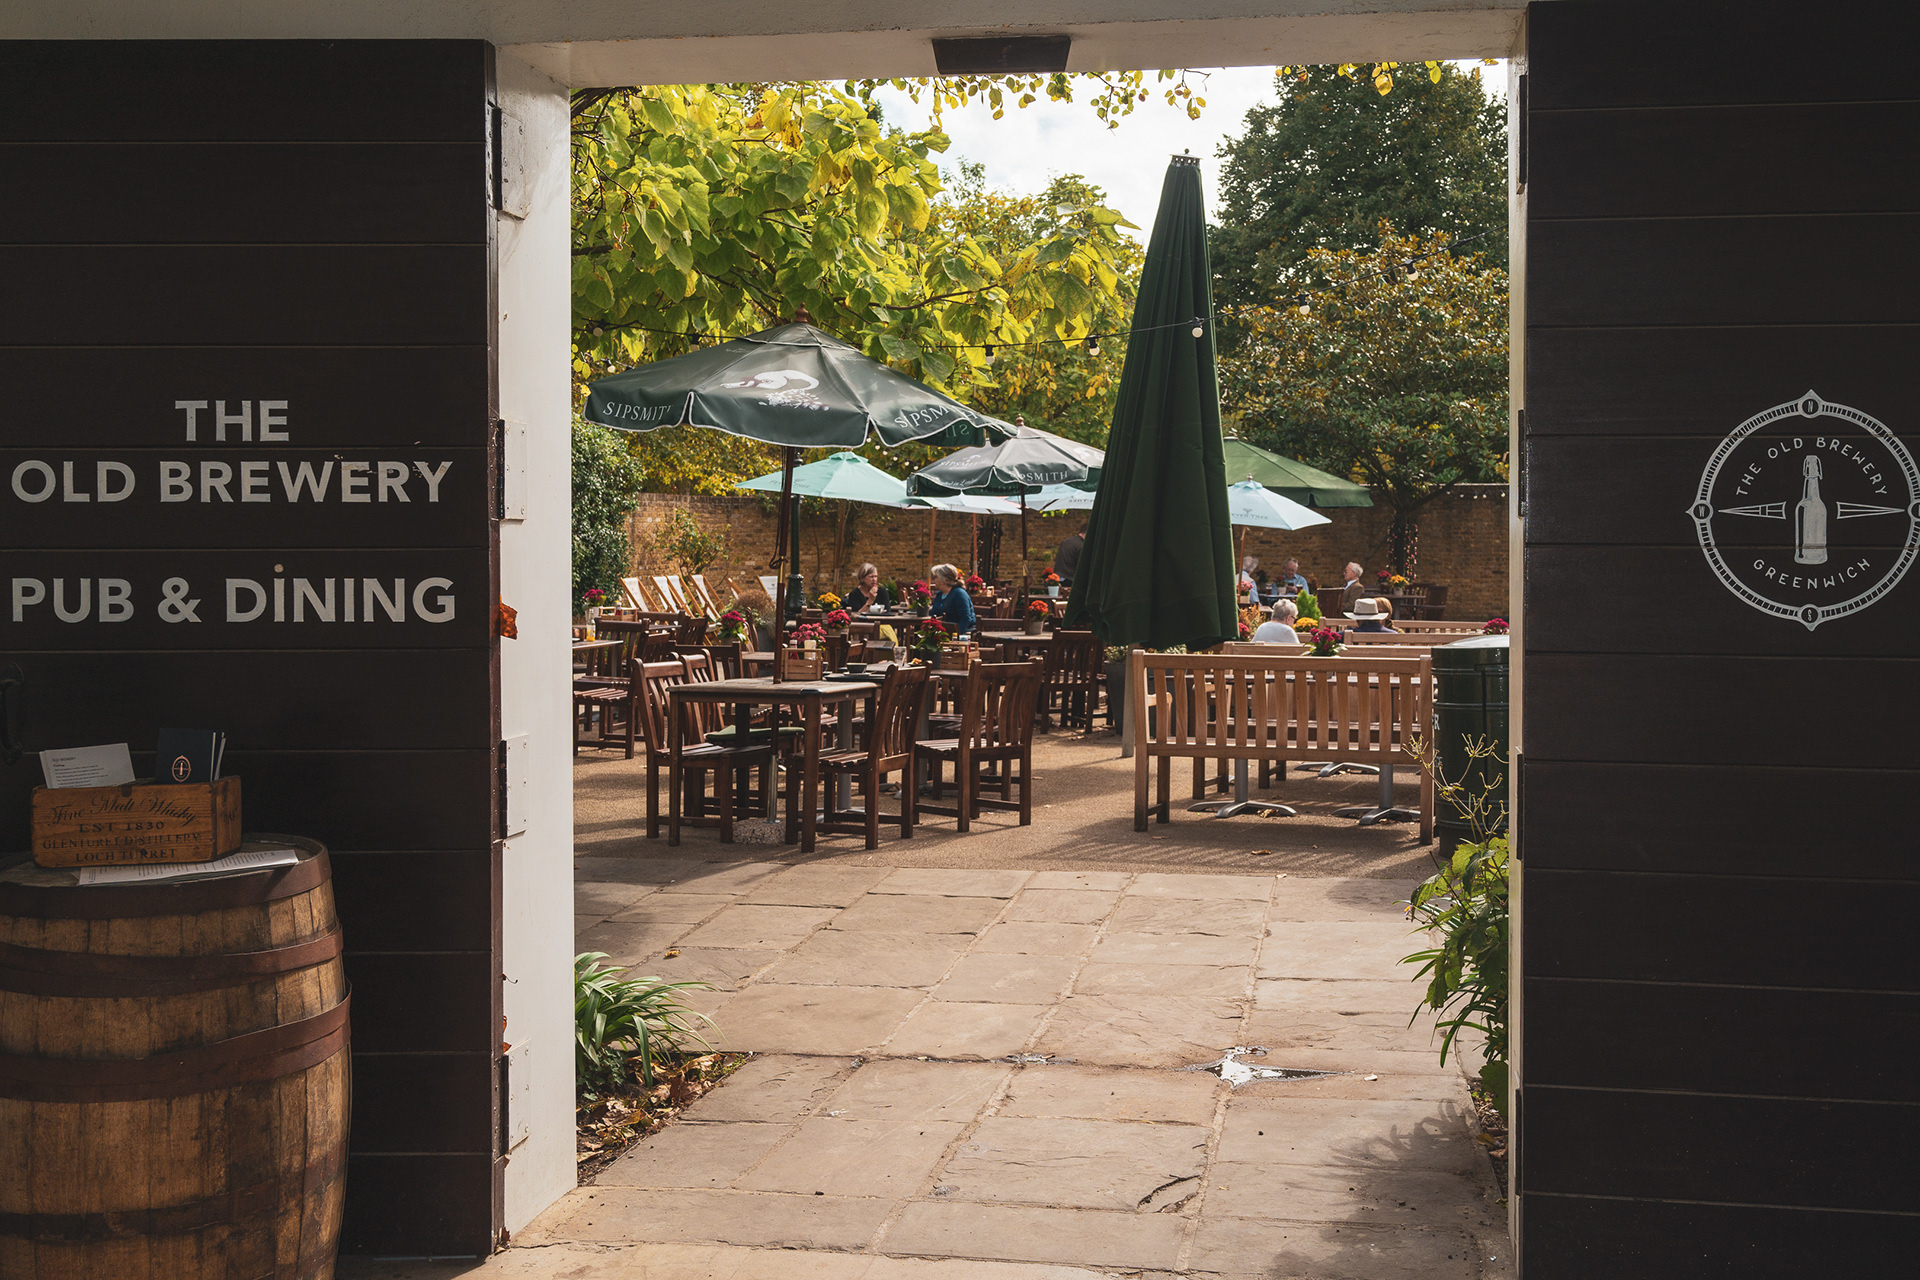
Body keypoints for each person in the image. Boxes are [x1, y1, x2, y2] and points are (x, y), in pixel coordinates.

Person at [927, 563, 976, 634]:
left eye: (935, 577)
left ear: (944, 580)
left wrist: (956, 635)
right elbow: (933, 614)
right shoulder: (939, 594)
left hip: (961, 633)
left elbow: (965, 618)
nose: (934, 579)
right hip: (943, 632)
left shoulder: (959, 593)